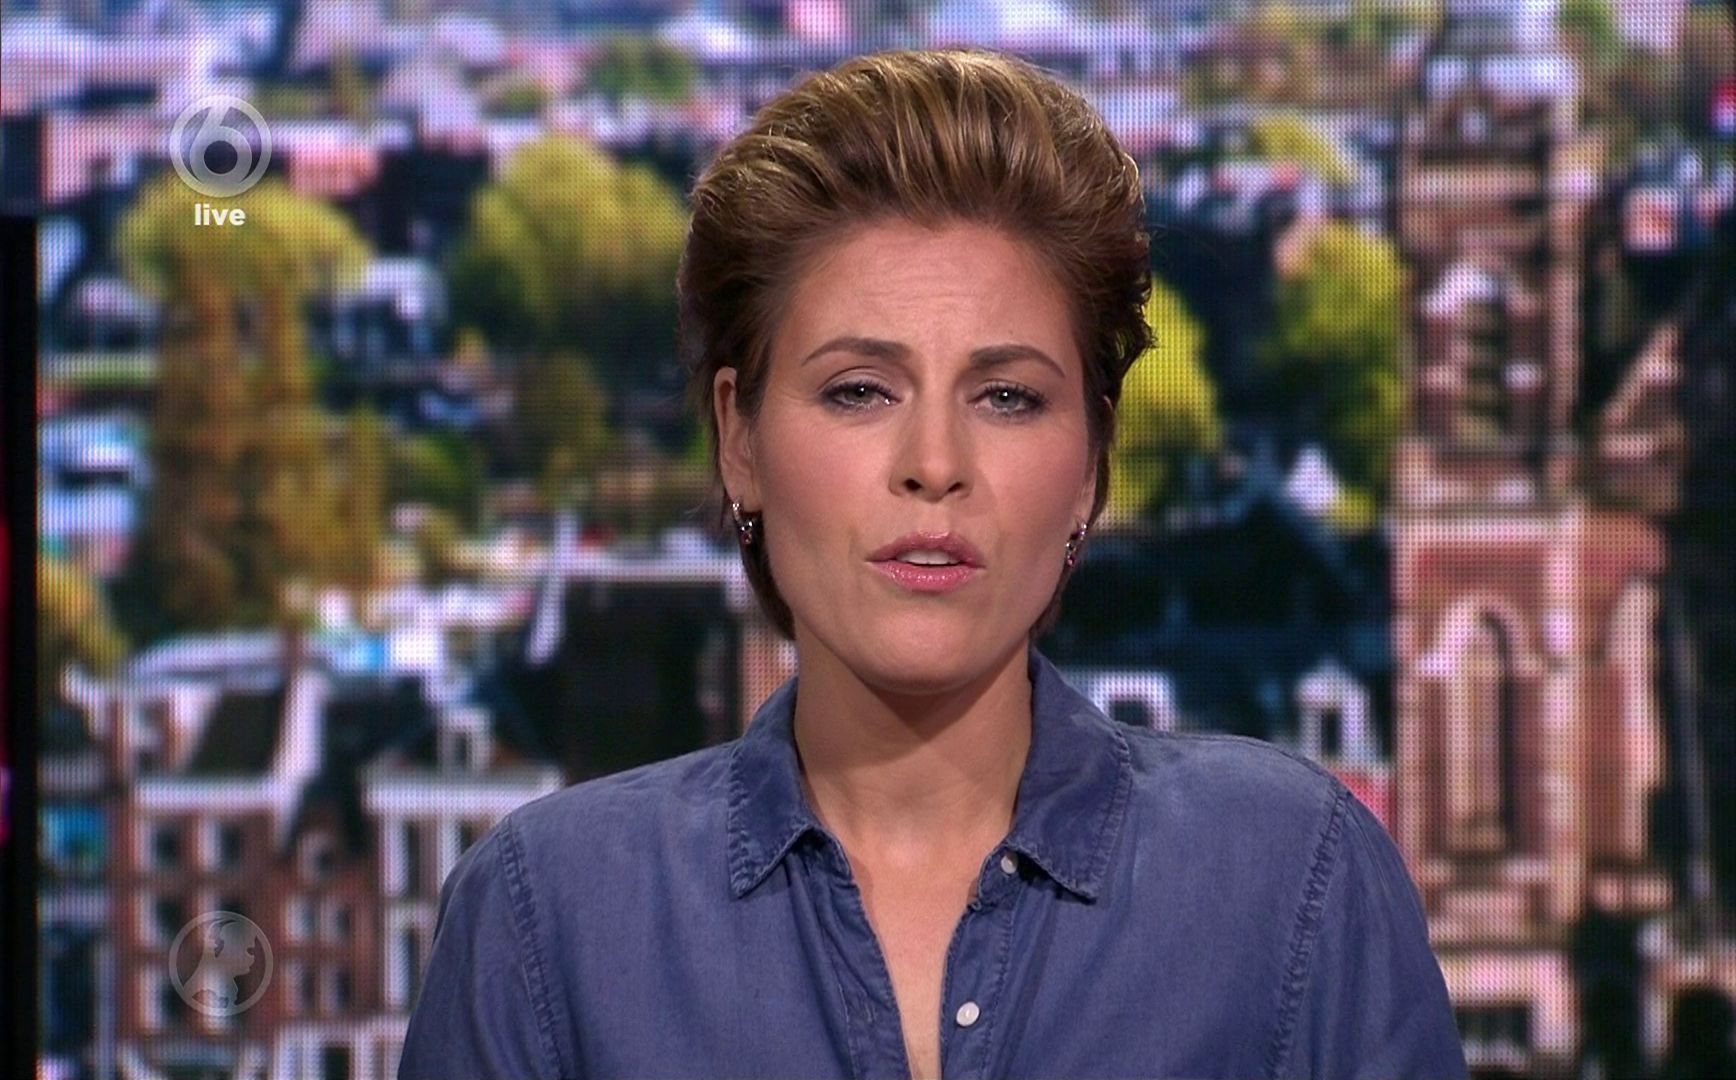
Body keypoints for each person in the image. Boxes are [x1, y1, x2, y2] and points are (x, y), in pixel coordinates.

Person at [398, 47, 1467, 1080]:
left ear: (1091, 462)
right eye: (860, 390)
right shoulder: (546, 922)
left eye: (1007, 397)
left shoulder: (1293, 883)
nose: (936, 465)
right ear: (740, 440)